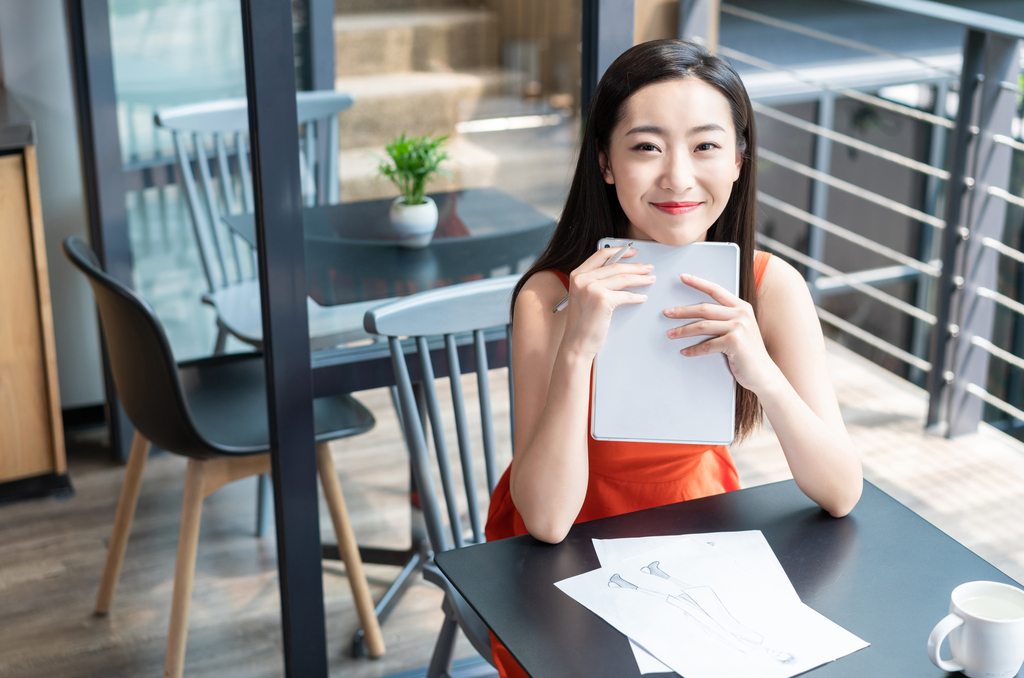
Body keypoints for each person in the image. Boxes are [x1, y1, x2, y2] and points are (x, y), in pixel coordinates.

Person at [483, 38, 863, 678]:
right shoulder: (548, 297)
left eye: (707, 146)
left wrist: (760, 371)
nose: (678, 177)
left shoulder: (772, 287)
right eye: (646, 147)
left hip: (702, 529)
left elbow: (840, 492)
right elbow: (547, 521)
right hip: (562, 552)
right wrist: (578, 345)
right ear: (605, 162)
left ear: (740, 160)